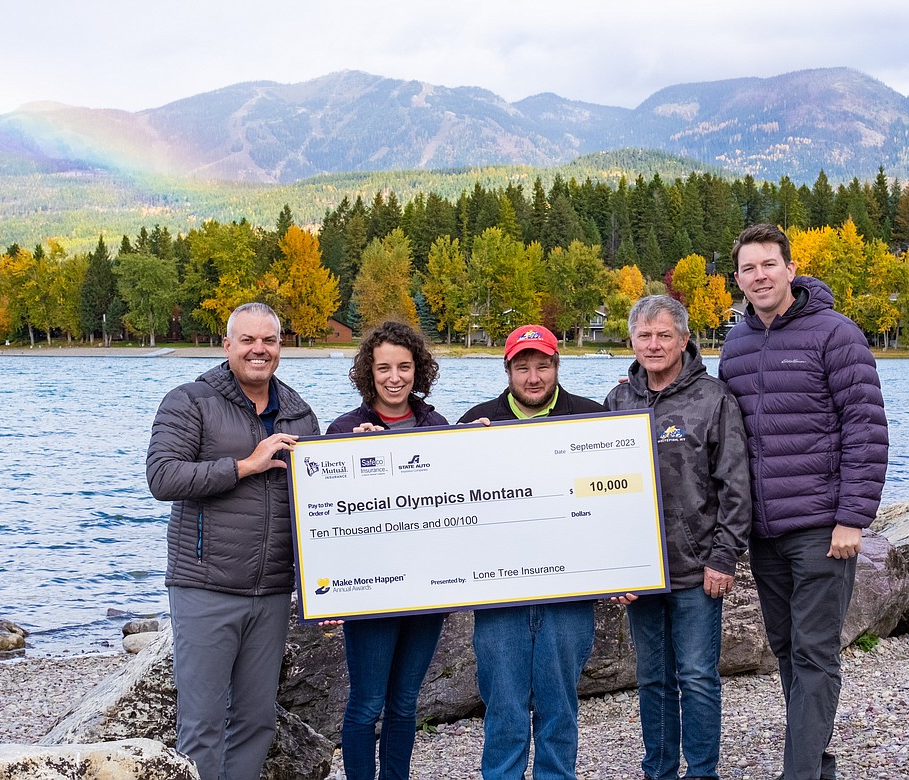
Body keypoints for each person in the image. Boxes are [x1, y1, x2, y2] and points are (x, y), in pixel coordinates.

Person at [718, 224, 888, 780]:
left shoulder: (835, 334)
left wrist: (852, 518)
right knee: (788, 650)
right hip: (764, 533)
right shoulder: (736, 343)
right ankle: (816, 763)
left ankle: (800, 774)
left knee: (815, 654)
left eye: (769, 264)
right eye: (748, 268)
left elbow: (865, 427)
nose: (759, 275)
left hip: (821, 526)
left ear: (791, 269)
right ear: (737, 279)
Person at [146, 302, 320, 780]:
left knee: (256, 721)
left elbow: (319, 506)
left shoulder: (301, 413)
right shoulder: (189, 400)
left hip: (270, 592)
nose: (258, 349)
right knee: (201, 725)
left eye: (268, 340)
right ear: (227, 346)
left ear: (281, 347)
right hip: (206, 587)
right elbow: (162, 477)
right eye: (247, 340)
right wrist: (246, 464)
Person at [604, 295, 752, 780]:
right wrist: (617, 566)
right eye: (644, 336)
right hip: (642, 572)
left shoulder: (714, 398)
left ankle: (702, 771)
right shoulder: (618, 400)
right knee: (653, 680)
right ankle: (659, 770)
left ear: (685, 339)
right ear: (631, 341)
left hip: (697, 570)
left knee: (698, 677)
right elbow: (600, 490)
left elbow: (735, 483)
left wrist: (724, 557)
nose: (654, 345)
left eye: (664, 335)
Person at [457, 324, 605, 780]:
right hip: (499, 598)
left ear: (557, 366)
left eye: (543, 365)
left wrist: (628, 572)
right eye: (523, 367)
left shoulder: (593, 418)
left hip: (570, 594)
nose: (534, 377)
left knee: (559, 707)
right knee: (504, 707)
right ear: (508, 370)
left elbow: (613, 506)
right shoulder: (475, 422)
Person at [324, 321, 449, 780]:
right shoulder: (343, 429)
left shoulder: (437, 426)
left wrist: (479, 444)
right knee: (366, 703)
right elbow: (325, 517)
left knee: (404, 704)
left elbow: (459, 503)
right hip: (369, 592)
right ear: (368, 373)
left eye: (404, 366)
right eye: (383, 368)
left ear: (418, 369)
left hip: (426, 590)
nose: (394, 377)